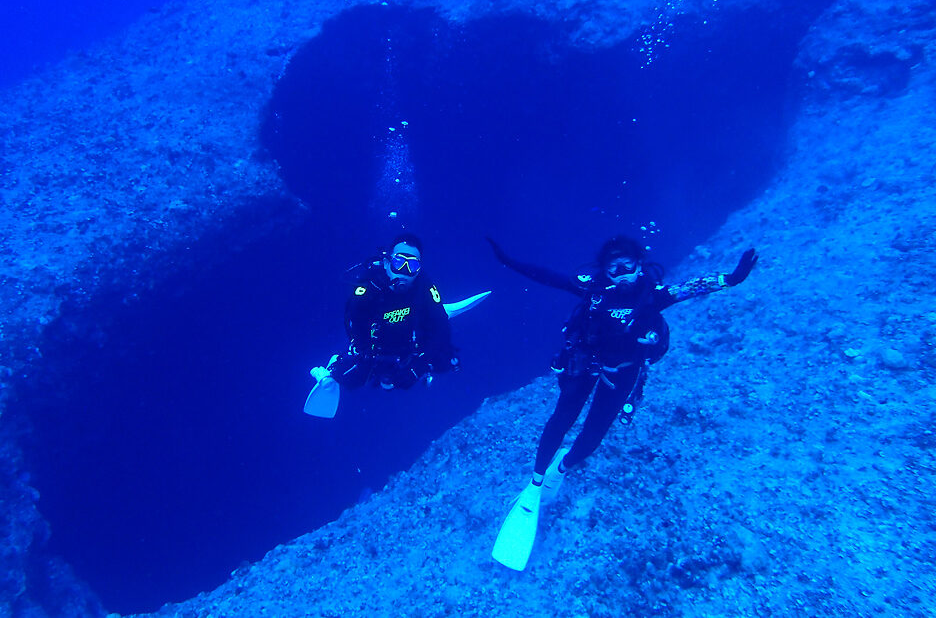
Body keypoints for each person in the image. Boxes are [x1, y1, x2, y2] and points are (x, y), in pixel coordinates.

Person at [488, 235, 757, 569]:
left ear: (640, 264)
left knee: (593, 437)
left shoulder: (653, 296)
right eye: (613, 268)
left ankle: (561, 468)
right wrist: (507, 260)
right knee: (561, 419)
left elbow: (691, 287)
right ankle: (534, 486)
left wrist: (731, 279)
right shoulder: (594, 290)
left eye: (627, 265)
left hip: (624, 372)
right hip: (586, 365)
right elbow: (549, 276)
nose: (621, 273)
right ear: (605, 271)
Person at [308, 234, 460, 416]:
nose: (404, 271)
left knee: (447, 360)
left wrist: (419, 367)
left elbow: (442, 328)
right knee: (352, 377)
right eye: (399, 262)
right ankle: (331, 367)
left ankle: (440, 312)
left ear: (418, 270)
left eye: (412, 266)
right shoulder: (370, 286)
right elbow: (352, 321)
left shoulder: (424, 286)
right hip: (376, 346)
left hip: (410, 340)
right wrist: (364, 351)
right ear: (387, 263)